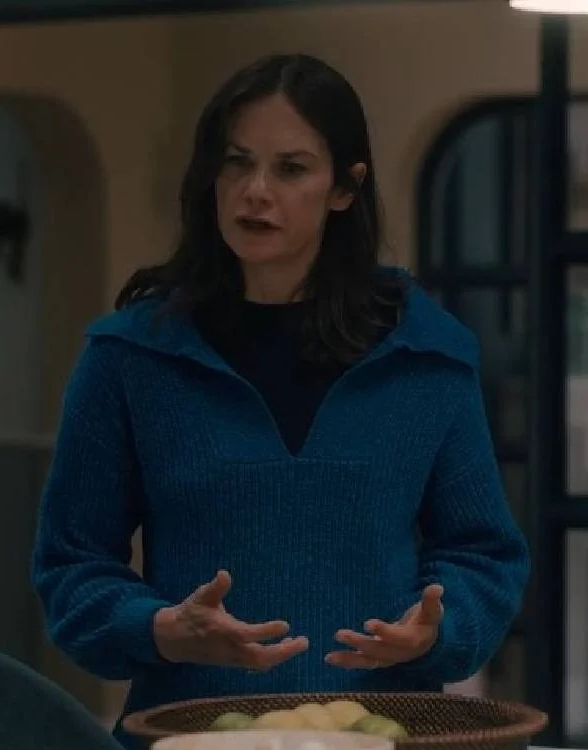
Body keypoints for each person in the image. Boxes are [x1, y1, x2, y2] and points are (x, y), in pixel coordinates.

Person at [31, 54, 530, 750]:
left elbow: (483, 554)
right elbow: (72, 564)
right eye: (236, 163)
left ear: (344, 188)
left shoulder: (427, 357)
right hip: (187, 737)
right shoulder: (131, 358)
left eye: (290, 169)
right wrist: (162, 628)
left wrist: (438, 630)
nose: (255, 192)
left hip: (378, 734)